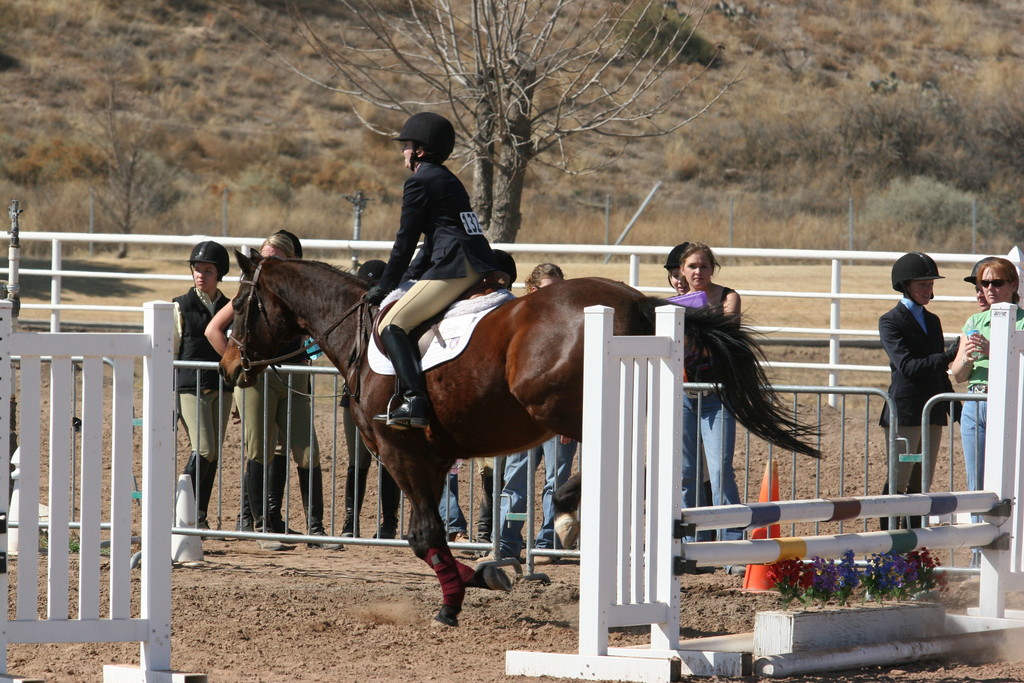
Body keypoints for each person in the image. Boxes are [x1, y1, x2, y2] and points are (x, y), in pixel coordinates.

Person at [361, 111, 497, 430]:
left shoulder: (419, 181)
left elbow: (405, 241)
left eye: (406, 145)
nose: (403, 152)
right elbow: (433, 236)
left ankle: (413, 399)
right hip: (475, 260)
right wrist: (409, 277)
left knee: (393, 324)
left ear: (419, 150)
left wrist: (385, 285)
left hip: (455, 266)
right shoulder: (447, 178)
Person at [206, 230, 340, 550]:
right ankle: (261, 527)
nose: (267, 265)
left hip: (294, 376)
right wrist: (238, 367)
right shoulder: (253, 289)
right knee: (259, 449)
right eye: (264, 258)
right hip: (259, 376)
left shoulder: (300, 294)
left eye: (275, 260)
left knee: (307, 449)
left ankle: (316, 530)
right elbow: (214, 329)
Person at [494, 263, 578, 563]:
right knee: (516, 480)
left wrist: (569, 419)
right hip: (523, 417)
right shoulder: (517, 320)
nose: (556, 295)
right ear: (532, 290)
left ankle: (547, 542)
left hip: (556, 419)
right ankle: (506, 541)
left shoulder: (570, 326)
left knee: (556, 482)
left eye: (560, 288)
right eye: (548, 289)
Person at [878, 252, 961, 530]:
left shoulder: (933, 320)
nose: (929, 289)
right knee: (900, 480)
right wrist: (948, 355)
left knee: (921, 482)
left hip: (932, 412)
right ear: (906, 286)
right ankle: (887, 548)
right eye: (922, 284)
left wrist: (953, 402)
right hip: (907, 414)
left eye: (930, 284)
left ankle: (915, 548)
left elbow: (936, 368)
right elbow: (908, 366)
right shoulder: (891, 321)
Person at [676, 243, 743, 568]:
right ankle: (691, 548)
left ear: (712, 268)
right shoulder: (675, 304)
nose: (697, 272)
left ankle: (731, 548)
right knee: (687, 473)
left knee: (720, 469)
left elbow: (725, 338)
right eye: (692, 266)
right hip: (684, 394)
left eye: (703, 266)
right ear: (682, 271)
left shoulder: (728, 297)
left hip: (718, 394)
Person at [950, 257, 1024, 503]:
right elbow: (958, 375)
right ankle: (978, 542)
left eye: (998, 282)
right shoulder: (974, 321)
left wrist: (993, 350)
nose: (990, 289)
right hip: (974, 403)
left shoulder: (1023, 321)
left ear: (1013, 285)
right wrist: (968, 358)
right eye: (984, 283)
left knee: (1011, 476)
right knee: (976, 481)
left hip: (1009, 403)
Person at [174, 240, 232, 531]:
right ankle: (181, 513)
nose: (200, 275)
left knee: (213, 455)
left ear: (219, 273)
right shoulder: (180, 306)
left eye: (207, 270)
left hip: (222, 388)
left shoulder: (229, 307)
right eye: (197, 269)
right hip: (189, 387)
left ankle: (200, 517)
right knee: (205, 449)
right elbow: (171, 352)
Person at [341, 259, 402, 539]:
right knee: (357, 461)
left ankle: (389, 523)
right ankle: (350, 522)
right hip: (353, 397)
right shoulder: (352, 320)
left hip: (383, 397)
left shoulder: (393, 318)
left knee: (388, 461)